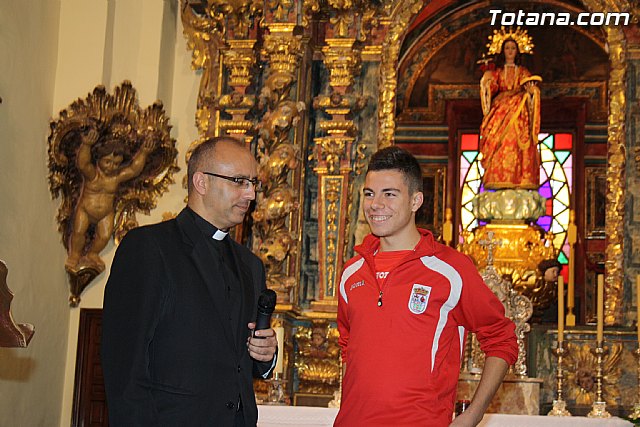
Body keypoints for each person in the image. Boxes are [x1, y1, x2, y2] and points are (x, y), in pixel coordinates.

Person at [335, 147, 518, 426]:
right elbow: (348, 348)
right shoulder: (352, 272)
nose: (375, 204)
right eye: (369, 194)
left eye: (390, 194)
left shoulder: (450, 270)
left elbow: (501, 339)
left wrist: (473, 414)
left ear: (415, 200)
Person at [101, 136, 278, 427]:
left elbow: (238, 362)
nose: (250, 194)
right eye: (239, 181)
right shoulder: (149, 248)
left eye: (253, 183)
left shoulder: (251, 266)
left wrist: (265, 355)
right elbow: (124, 367)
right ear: (201, 182)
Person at [66, 127, 154, 272]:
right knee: (78, 232)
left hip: (106, 214)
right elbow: (83, 163)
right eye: (107, 161)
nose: (111, 166)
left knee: (104, 236)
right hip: (86, 210)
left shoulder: (115, 178)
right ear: (98, 159)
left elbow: (133, 170)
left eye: (116, 163)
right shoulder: (93, 175)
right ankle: (74, 255)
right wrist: (87, 145)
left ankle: (93, 254)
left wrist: (143, 152)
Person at [479, 38, 541, 190]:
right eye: (507, 48)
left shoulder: (523, 72)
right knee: (499, 142)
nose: (510, 51)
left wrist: (533, 92)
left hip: (519, 111)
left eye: (513, 48)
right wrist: (486, 82)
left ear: (517, 51)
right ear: (503, 51)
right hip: (500, 111)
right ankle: (498, 175)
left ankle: (518, 177)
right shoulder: (498, 73)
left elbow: (529, 87)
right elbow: (491, 89)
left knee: (517, 141)